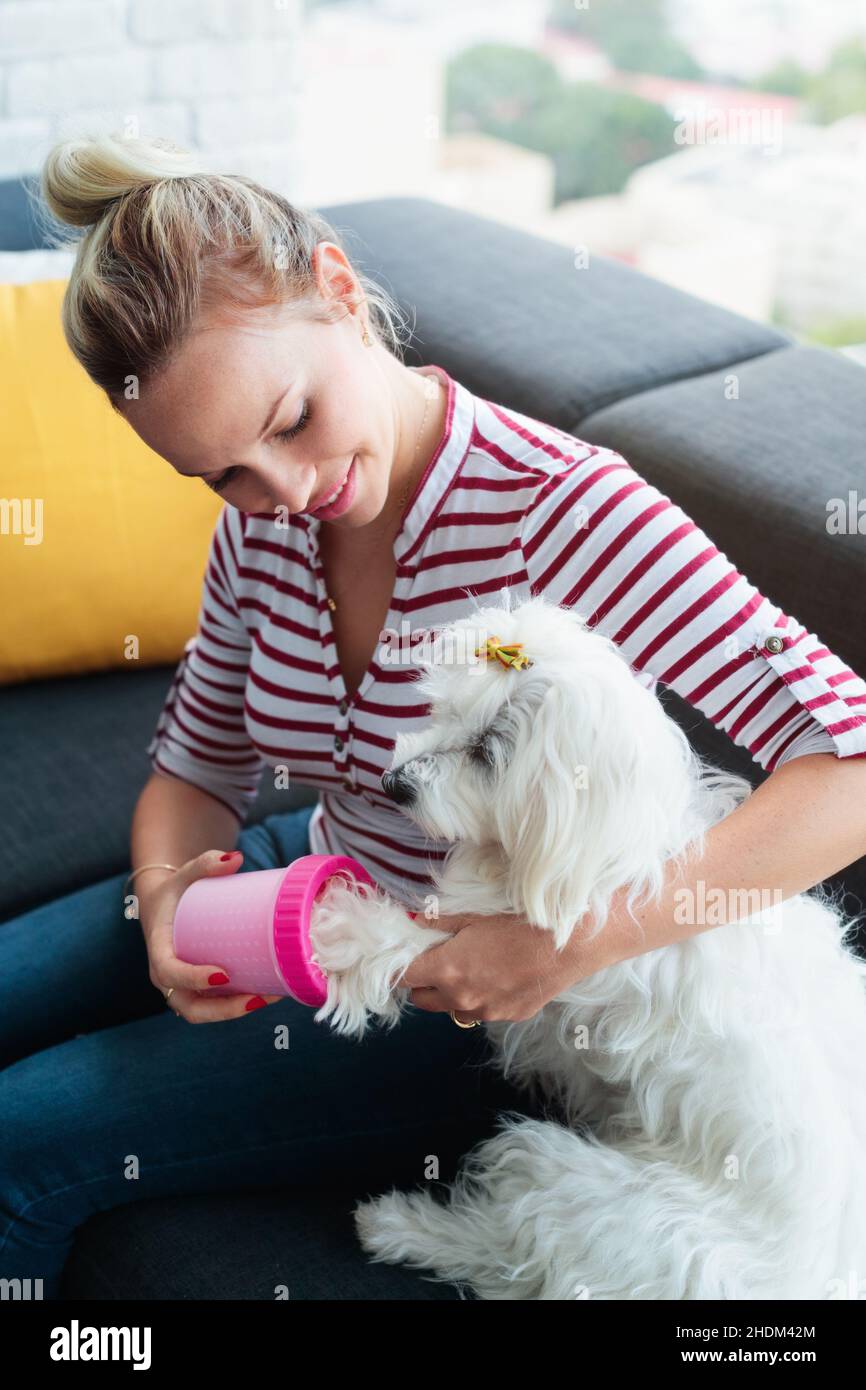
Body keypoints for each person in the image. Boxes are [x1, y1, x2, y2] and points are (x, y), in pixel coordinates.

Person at [2, 133, 866, 1301]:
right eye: (223, 474)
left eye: (293, 420)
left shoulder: (566, 512)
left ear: (340, 290)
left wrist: (567, 943)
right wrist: (165, 907)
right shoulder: (261, 531)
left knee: (18, 1142)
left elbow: (848, 760)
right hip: (302, 878)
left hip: (445, 988)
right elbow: (194, 772)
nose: (284, 492)